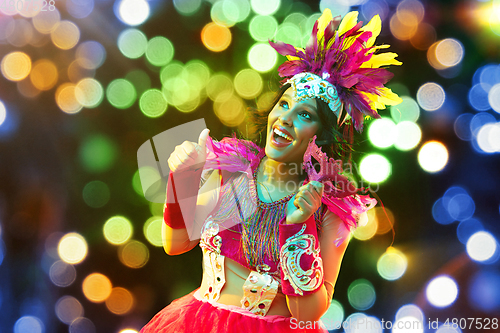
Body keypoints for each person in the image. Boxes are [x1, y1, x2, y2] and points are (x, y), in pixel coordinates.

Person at [140, 9, 402, 333]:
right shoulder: (232, 169)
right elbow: (177, 243)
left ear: (322, 136)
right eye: (284, 104)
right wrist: (182, 178)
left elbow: (308, 314)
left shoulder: (332, 207)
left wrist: (298, 225)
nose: (286, 119)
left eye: (305, 115)